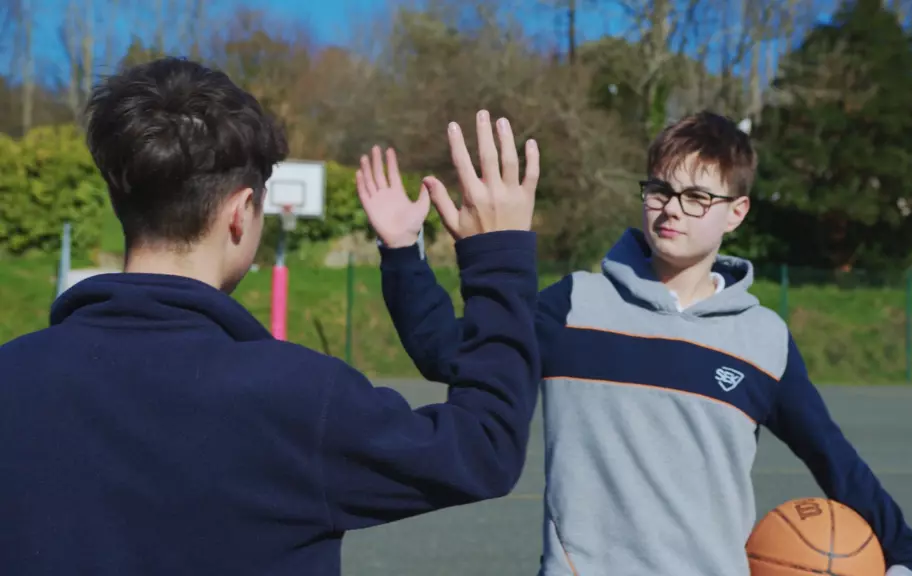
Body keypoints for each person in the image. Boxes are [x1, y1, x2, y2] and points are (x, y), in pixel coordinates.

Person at [0, 57, 544, 576]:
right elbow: (482, 446)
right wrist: (498, 255)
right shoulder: (299, 398)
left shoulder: (14, 375)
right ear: (241, 213)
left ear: (122, 201)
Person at [372, 111, 912, 576]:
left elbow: (834, 459)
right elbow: (451, 354)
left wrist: (903, 558)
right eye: (660, 189)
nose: (672, 208)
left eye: (697, 197)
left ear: (736, 212)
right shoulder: (574, 305)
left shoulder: (762, 340)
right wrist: (402, 252)